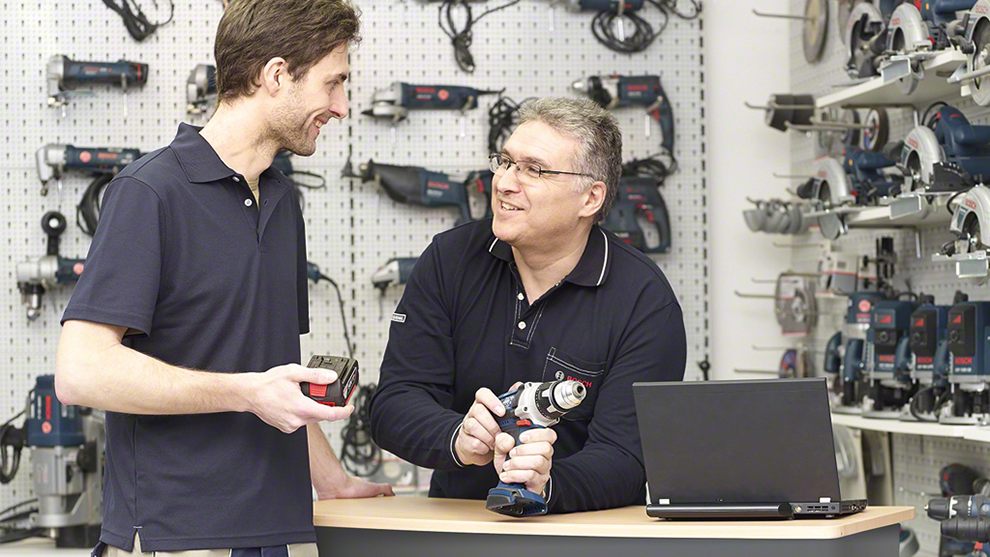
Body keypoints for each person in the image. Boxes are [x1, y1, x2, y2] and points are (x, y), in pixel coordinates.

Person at [54, 1, 392, 555]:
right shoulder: (149, 192)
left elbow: (271, 370)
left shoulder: (282, 200)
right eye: (333, 84)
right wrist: (244, 394)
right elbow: (81, 371)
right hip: (175, 537)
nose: (342, 106)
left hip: (272, 534)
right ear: (277, 75)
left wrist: (332, 480)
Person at [369, 97, 686, 513]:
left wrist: (545, 484)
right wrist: (459, 437)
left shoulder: (644, 302)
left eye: (533, 169)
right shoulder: (451, 259)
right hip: (458, 530)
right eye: (504, 162)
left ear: (590, 198)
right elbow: (394, 402)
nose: (503, 182)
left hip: (583, 538)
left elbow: (627, 458)